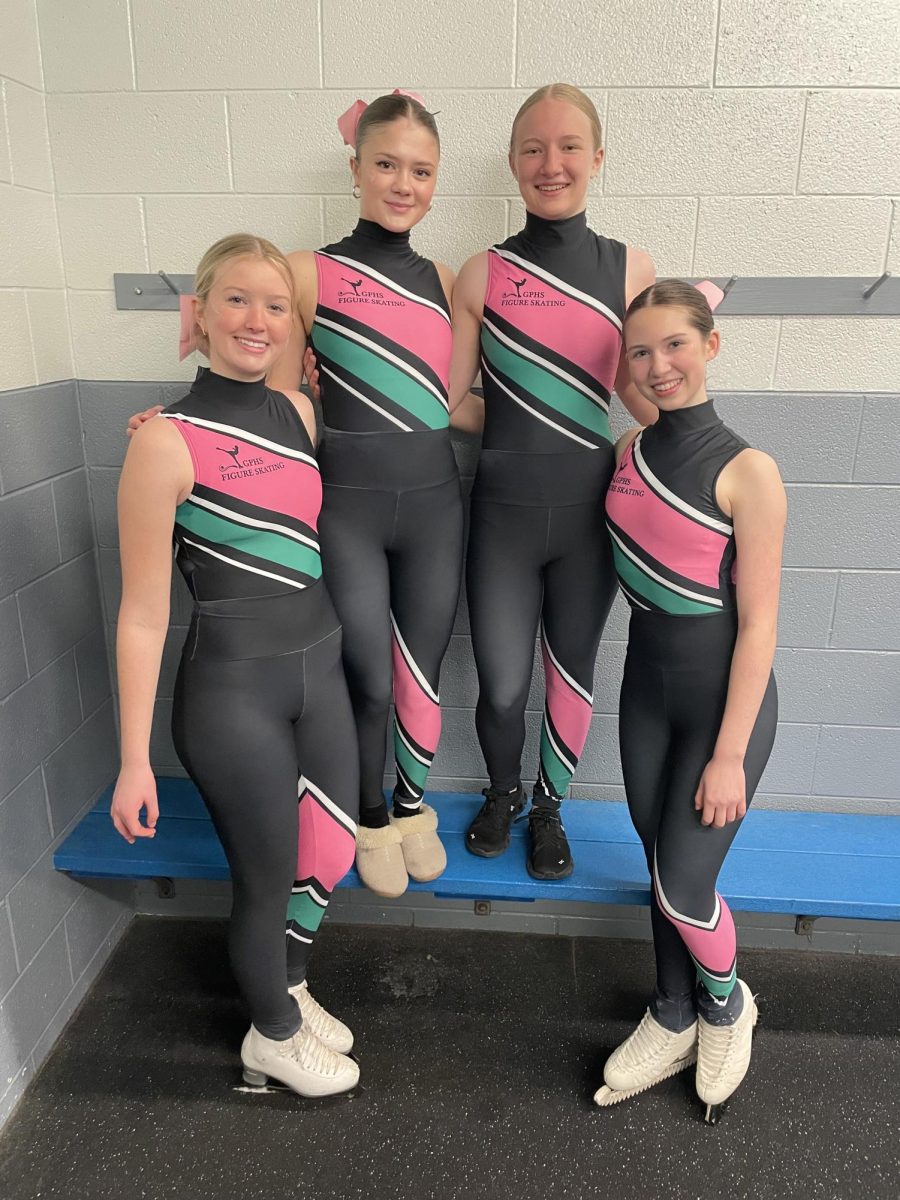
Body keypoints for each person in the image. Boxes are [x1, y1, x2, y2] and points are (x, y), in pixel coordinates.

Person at [129, 94, 464, 901]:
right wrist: (170, 426)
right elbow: (272, 410)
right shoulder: (305, 271)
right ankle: (372, 811)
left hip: (434, 505)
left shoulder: (445, 278)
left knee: (421, 676)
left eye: (419, 170)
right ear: (355, 170)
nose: (401, 182)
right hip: (345, 507)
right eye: (385, 163)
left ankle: (414, 809)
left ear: (435, 182)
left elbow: (445, 403)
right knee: (369, 677)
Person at [112, 234, 360, 1098]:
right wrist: (134, 759)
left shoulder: (296, 412)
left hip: (320, 675)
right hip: (233, 694)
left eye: (276, 304)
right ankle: (272, 1035)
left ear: (294, 322)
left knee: (329, 850)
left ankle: (285, 981)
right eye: (237, 300)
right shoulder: (163, 442)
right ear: (200, 313)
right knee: (264, 878)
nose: (257, 320)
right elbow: (143, 615)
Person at [449, 83, 657, 879]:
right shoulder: (480, 274)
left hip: (587, 519)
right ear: (512, 161)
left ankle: (549, 809)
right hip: (501, 510)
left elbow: (641, 394)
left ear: (597, 159)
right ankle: (501, 791)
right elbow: (445, 401)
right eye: (533, 147)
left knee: (569, 678)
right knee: (502, 687)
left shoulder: (630, 267)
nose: (551, 162)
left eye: (569, 146)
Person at [594, 279, 785, 1122]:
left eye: (675, 344)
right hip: (646, 692)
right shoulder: (629, 449)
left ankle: (725, 1003)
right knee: (657, 861)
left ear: (711, 345)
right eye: (641, 351)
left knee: (684, 884)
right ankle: (669, 1012)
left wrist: (731, 754)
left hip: (722, 704)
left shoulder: (749, 470)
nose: (658, 364)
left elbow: (760, 628)